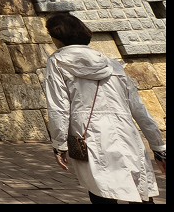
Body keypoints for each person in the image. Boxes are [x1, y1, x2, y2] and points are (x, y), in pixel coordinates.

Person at [44, 11, 166, 204]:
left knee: (102, 192)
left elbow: (59, 106)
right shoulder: (113, 65)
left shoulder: (57, 62)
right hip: (127, 134)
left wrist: (59, 145)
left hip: (90, 135)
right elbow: (139, 109)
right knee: (139, 192)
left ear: (57, 37)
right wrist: (158, 146)